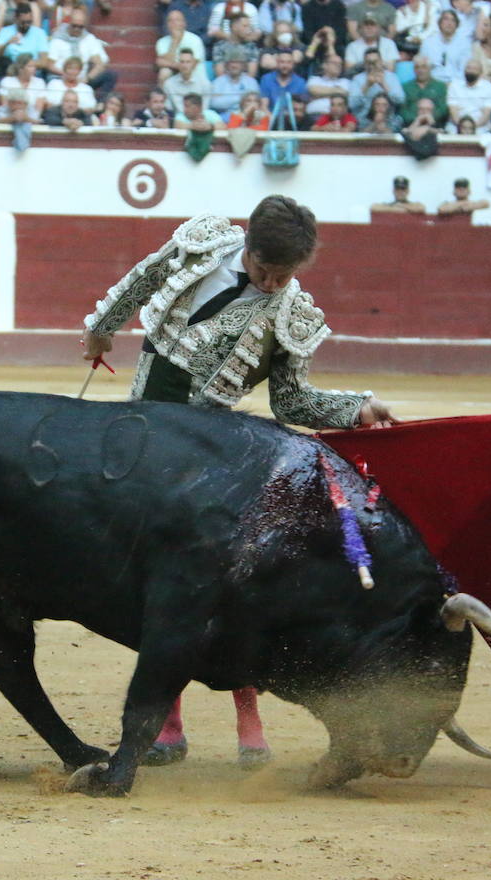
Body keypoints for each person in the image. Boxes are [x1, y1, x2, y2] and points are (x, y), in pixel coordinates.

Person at [79, 196, 395, 769]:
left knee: (228, 576)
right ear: (245, 247)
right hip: (148, 430)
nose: (273, 283)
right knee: (154, 575)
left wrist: (357, 408)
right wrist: (100, 331)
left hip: (214, 448)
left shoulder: (291, 314)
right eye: (264, 270)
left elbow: (291, 399)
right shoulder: (202, 244)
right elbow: (139, 281)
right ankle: (168, 724)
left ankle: (248, 718)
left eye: (285, 275)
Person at [448, 56, 491, 125]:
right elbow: (453, 111)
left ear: (481, 72)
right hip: (457, 125)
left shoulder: (489, 87)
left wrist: (472, 128)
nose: (470, 71)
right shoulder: (454, 86)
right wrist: (462, 127)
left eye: (474, 69)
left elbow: (486, 114)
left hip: (481, 126)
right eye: (468, 68)